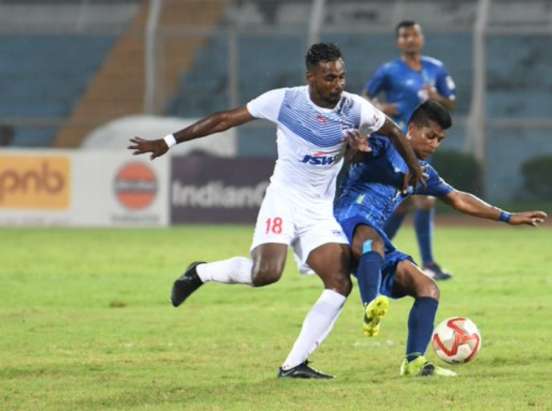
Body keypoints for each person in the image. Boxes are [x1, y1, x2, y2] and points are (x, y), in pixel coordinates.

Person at [128, 43, 423, 379]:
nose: (337, 84)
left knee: (340, 282)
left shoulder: (355, 109)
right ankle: (200, 272)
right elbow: (225, 119)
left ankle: (294, 365)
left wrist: (414, 168)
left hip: (318, 210)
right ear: (310, 77)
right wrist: (167, 142)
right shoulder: (285, 101)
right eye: (329, 78)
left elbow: (395, 131)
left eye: (341, 76)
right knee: (266, 274)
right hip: (283, 199)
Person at [335, 101, 547, 377]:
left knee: (427, 287)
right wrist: (357, 150)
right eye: (430, 136)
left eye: (440, 139)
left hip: (374, 235)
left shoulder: (422, 172)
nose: (435, 144)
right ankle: (370, 305)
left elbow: (458, 197)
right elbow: (360, 153)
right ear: (411, 129)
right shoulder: (384, 144)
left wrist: (507, 217)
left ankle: (414, 362)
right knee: (372, 240)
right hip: (345, 219)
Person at [363, 20, 457, 281]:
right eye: (404, 36)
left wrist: (436, 97)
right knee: (423, 199)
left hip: (422, 143)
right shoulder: (388, 71)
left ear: (421, 38)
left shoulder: (435, 68)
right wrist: (381, 108)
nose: (410, 39)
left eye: (413, 34)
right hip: (397, 142)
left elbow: (452, 102)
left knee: (402, 204)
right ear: (398, 42)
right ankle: (428, 264)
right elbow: (366, 99)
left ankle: (372, 254)